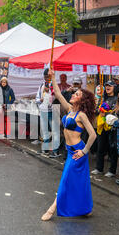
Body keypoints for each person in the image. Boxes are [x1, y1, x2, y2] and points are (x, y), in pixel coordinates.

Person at [41, 69, 97, 221]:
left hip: (77, 152)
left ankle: (52, 209)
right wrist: (53, 78)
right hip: (70, 150)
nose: (73, 94)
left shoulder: (82, 115)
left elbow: (93, 135)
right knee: (78, 183)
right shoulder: (70, 110)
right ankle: (85, 209)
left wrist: (84, 152)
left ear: (82, 100)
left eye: (77, 94)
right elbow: (58, 94)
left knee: (66, 180)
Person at [91, 80, 118, 178]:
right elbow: (97, 111)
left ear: (114, 87)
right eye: (106, 85)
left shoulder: (117, 99)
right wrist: (99, 110)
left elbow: (115, 113)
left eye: (110, 85)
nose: (107, 87)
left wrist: (105, 113)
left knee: (112, 149)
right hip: (101, 127)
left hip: (111, 128)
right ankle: (99, 168)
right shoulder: (102, 98)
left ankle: (112, 170)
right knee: (100, 147)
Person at [36, 69, 60, 157]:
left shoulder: (54, 85)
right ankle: (45, 149)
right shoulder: (41, 85)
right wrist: (40, 100)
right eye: (45, 77)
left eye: (48, 77)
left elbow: (56, 97)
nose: (46, 79)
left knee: (55, 131)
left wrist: (49, 93)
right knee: (45, 131)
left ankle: (55, 150)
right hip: (43, 111)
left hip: (52, 111)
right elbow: (37, 98)